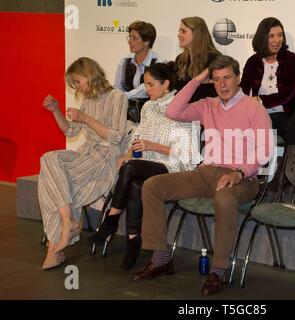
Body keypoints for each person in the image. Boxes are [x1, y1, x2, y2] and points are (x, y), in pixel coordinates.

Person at [131, 55, 273, 296]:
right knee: (153, 185)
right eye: (216, 79)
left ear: (238, 78)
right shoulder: (208, 105)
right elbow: (174, 111)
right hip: (206, 172)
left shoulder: (254, 107)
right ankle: (161, 258)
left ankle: (218, 270)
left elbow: (265, 150)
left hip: (243, 178)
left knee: (224, 198)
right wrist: (197, 79)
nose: (222, 84)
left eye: (227, 77)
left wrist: (239, 173)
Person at [89, 62, 196, 270]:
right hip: (145, 165)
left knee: (131, 168)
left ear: (166, 84)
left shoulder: (181, 107)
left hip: (173, 167)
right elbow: (137, 137)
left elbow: (186, 154)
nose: (146, 89)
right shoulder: (147, 107)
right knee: (135, 182)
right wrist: (128, 154)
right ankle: (132, 240)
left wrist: (151, 146)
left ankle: (111, 219)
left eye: (150, 84)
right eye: (145, 84)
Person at [39, 57, 129, 270]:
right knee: (48, 158)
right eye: (74, 84)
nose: (77, 87)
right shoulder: (88, 100)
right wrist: (55, 110)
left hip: (105, 159)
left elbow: (115, 137)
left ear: (89, 75)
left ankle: (54, 248)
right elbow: (70, 131)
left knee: (53, 186)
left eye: (77, 82)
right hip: (85, 154)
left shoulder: (117, 96)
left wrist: (85, 118)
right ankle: (67, 220)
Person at [240, 17, 295, 140]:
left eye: (280, 35)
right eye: (271, 36)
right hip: (258, 115)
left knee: (262, 127)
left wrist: (260, 100)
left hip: (286, 115)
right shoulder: (253, 61)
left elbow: (286, 95)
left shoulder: (293, 60)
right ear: (263, 38)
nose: (277, 40)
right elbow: (243, 90)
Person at [175, 16, 221, 102]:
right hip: (183, 112)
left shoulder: (215, 60)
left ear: (197, 34)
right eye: (179, 31)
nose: (179, 35)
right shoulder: (180, 60)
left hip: (206, 112)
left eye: (183, 31)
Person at [115, 21, 159, 100]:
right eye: (129, 37)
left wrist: (123, 96)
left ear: (146, 42)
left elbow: (146, 88)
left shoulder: (158, 62)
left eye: (134, 38)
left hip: (150, 108)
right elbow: (117, 88)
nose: (130, 41)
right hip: (126, 108)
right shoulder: (124, 61)